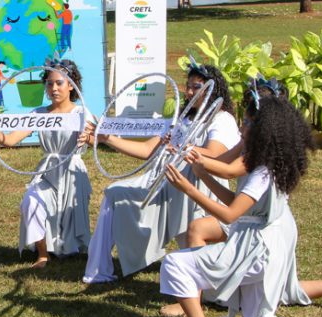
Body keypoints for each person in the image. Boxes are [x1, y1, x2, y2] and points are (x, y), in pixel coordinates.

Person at [160, 96, 322, 317]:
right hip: (266, 251)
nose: (243, 127)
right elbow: (237, 202)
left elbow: (229, 215)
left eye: (249, 122)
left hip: (254, 251)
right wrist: (202, 177)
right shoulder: (271, 166)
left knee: (175, 264)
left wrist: (189, 189)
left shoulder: (262, 171)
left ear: (265, 130)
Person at [83, 63, 241, 283]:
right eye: (188, 86)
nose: (189, 92)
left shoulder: (222, 119)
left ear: (212, 90)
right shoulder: (183, 118)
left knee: (192, 233)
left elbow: (215, 154)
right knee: (114, 192)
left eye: (196, 87)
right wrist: (105, 138)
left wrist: (183, 148)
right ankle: (98, 270)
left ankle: (199, 280)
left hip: (194, 182)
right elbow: (148, 150)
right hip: (161, 179)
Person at [0, 59, 92, 268]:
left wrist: (88, 138)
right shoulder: (39, 113)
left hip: (72, 171)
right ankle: (43, 253)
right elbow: (11, 139)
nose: (54, 88)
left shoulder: (82, 113)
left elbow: (95, 139)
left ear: (71, 85)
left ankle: (67, 247)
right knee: (32, 200)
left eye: (59, 83)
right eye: (49, 83)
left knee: (68, 214)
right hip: (47, 171)